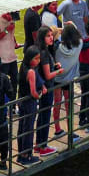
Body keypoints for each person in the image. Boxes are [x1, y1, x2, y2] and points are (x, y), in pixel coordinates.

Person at [52, 22, 81, 137]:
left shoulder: (56, 47)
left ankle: (57, 129)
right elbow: (79, 36)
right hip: (68, 79)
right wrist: (74, 26)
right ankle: (70, 131)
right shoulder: (78, 45)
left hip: (56, 78)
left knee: (57, 103)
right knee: (69, 105)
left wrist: (58, 31)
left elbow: (52, 38)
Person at [33, 27, 59, 157]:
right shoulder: (43, 53)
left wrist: (55, 66)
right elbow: (48, 75)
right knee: (45, 116)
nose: (51, 38)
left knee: (43, 115)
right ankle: (42, 145)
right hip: (47, 88)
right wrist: (58, 71)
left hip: (45, 87)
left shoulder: (44, 51)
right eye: (48, 36)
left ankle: (39, 144)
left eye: (51, 35)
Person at [15, 45, 42, 165]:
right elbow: (33, 92)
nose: (38, 61)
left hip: (21, 99)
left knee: (22, 127)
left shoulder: (23, 67)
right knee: (28, 128)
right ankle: (26, 155)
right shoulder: (31, 72)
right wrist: (40, 95)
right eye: (36, 58)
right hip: (29, 102)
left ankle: (21, 153)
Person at [0, 11, 18, 84]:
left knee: (15, 80)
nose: (11, 19)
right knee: (2, 82)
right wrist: (7, 30)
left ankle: (13, 94)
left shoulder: (13, 19)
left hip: (12, 57)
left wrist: (15, 43)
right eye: (11, 17)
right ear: (6, 13)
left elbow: (12, 34)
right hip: (2, 58)